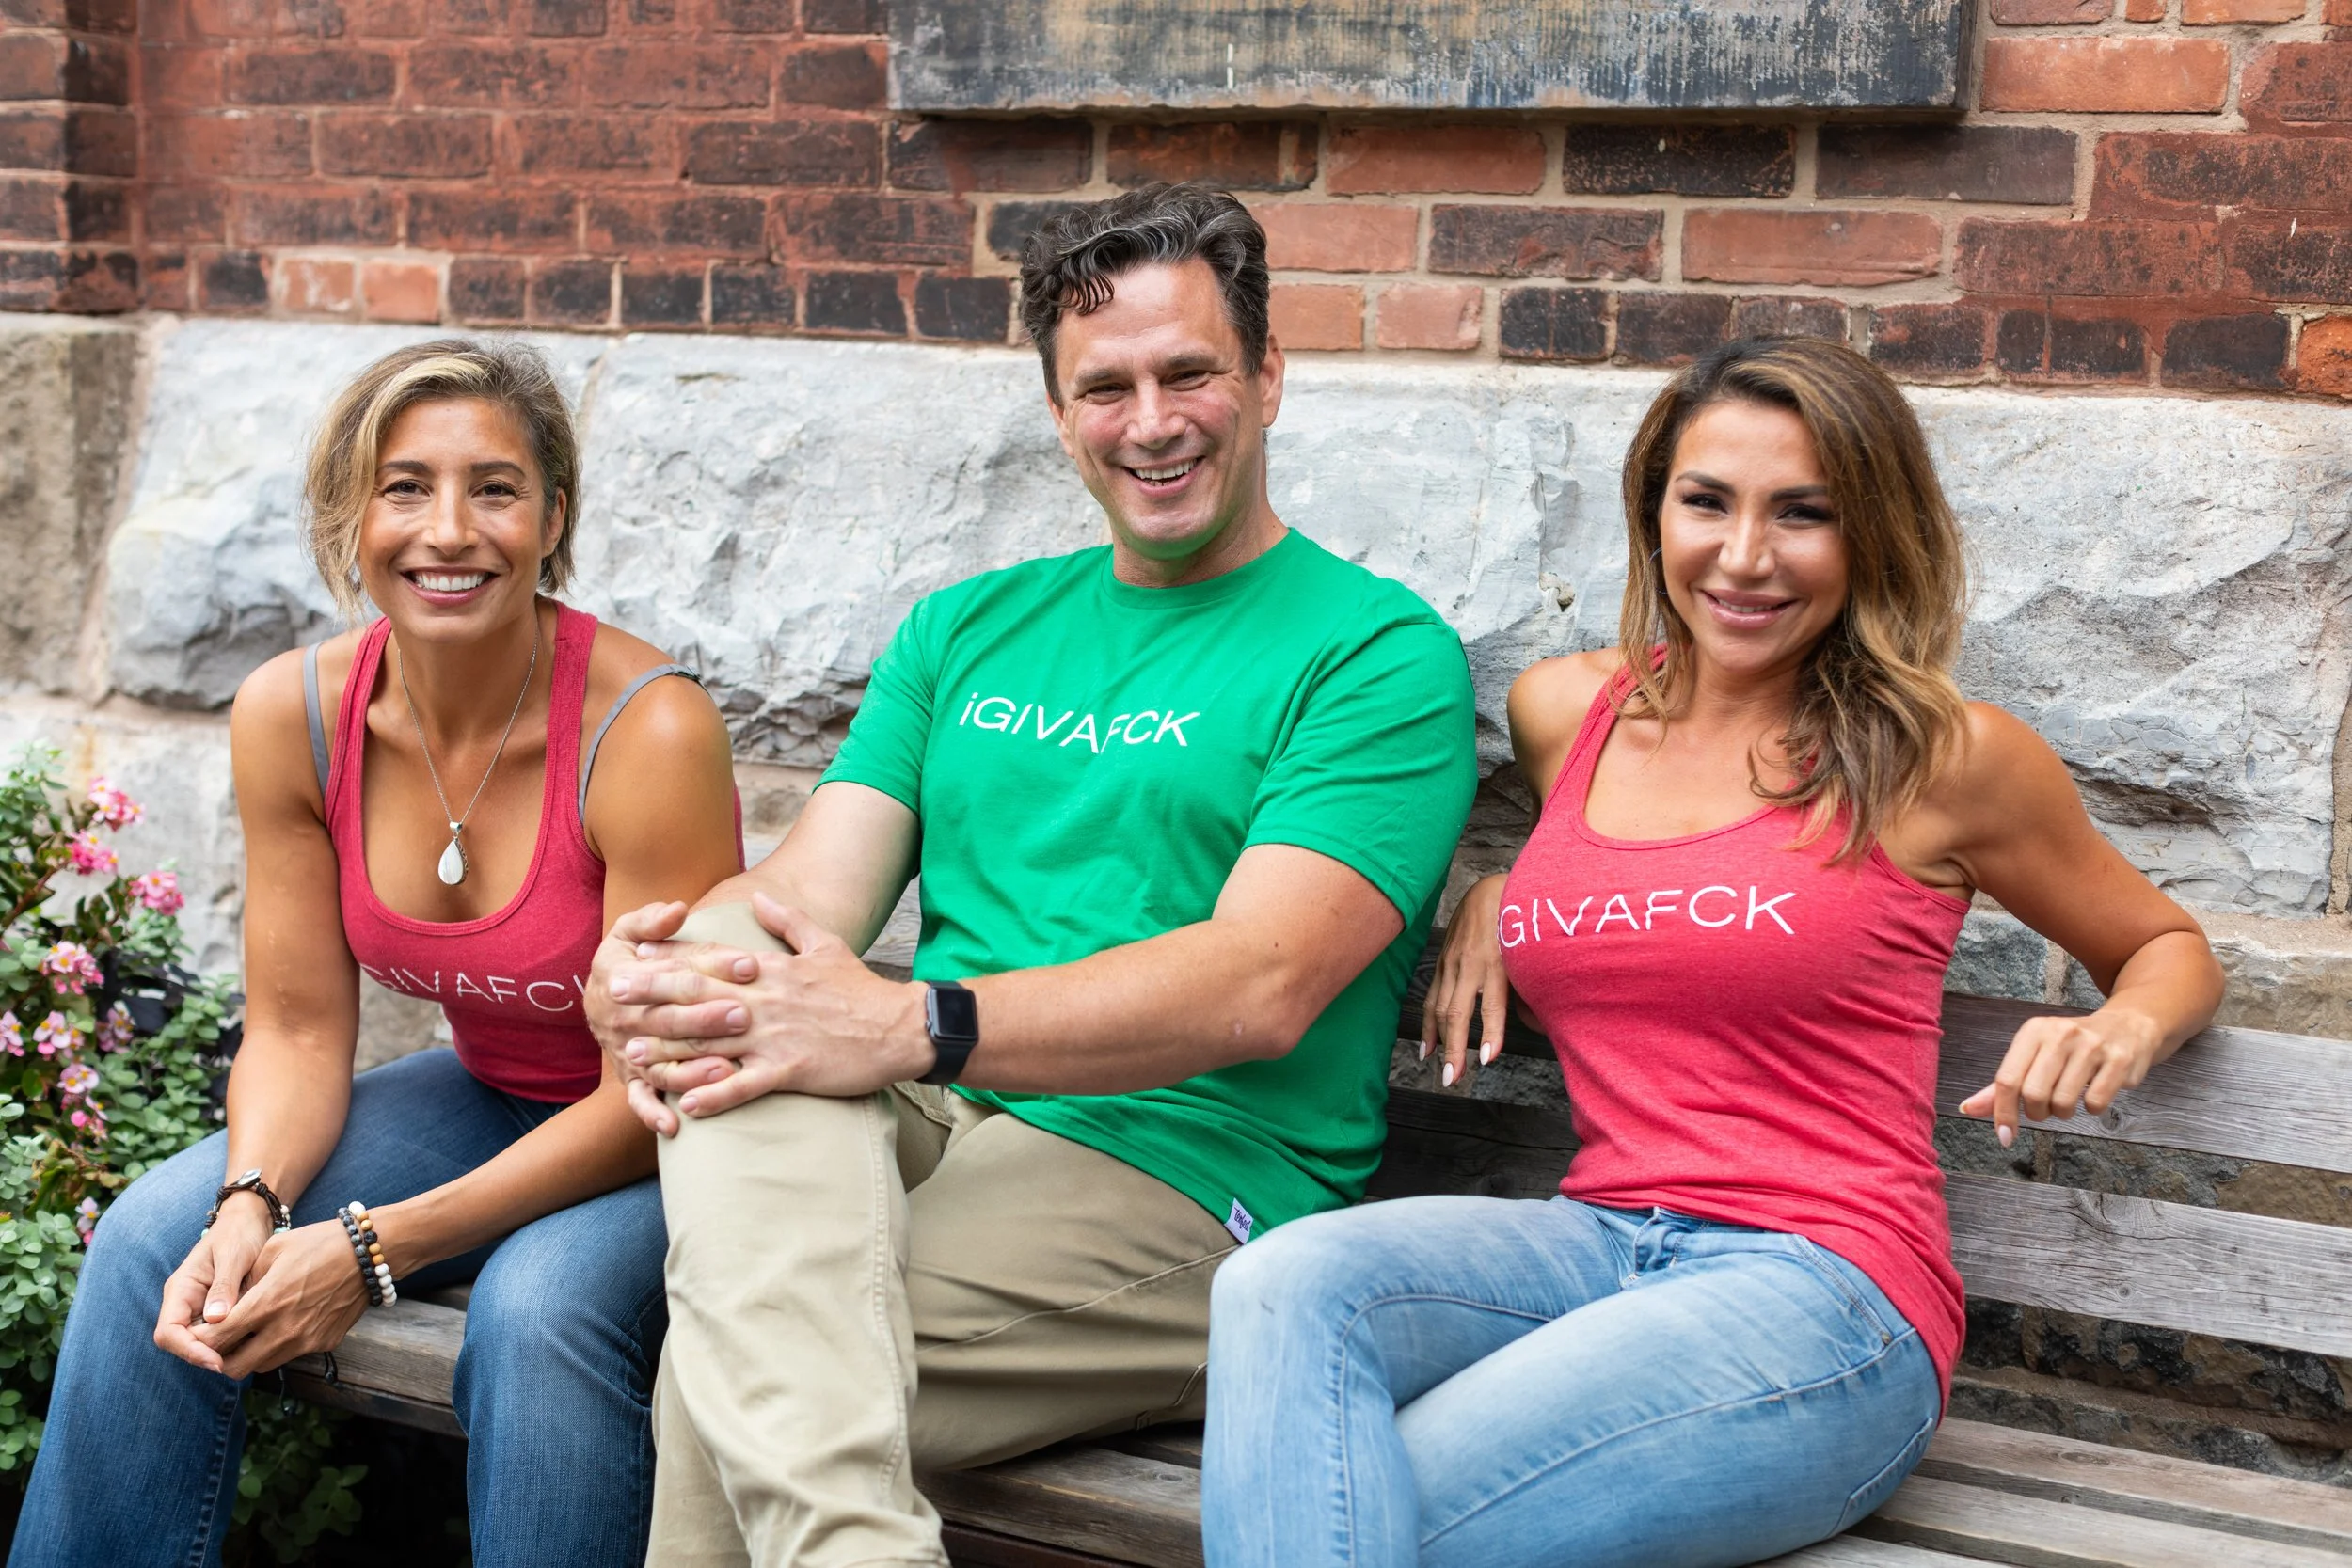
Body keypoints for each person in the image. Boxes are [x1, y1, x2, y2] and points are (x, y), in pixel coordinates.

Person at [1200, 336, 2227, 1568]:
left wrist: (2123, 1022)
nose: (1744, 556)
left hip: (1824, 1295)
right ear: (1655, 508)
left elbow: (2167, 942)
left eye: (1805, 513)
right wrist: (1495, 881)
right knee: (1283, 1281)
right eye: (1708, 502)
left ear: (1872, 533)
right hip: (1597, 1241)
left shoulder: (1945, 756)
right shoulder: (1568, 712)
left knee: (1358, 1500)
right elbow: (1633, 876)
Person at [585, 182, 1478, 1566]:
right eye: (1105, 387)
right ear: (1060, 415)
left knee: (731, 1373)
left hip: (1186, 1161)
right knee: (730, 992)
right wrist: (662, 983)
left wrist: (909, 1023)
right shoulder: (965, 630)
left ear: (1270, 379)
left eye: (1191, 372)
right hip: (944, 1105)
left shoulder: (1375, 655)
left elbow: (1260, 985)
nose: (1153, 421)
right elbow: (801, 901)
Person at [13, 340, 742, 1568]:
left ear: (552, 515)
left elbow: (648, 1087)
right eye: (405, 487)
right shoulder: (291, 717)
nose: (448, 530)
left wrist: (367, 1248)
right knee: (159, 1232)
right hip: (494, 1093)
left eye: (495, 488)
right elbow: (296, 1028)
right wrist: (253, 1202)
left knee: (536, 1309)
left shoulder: (647, 727)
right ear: (348, 516)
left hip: (679, 1127)